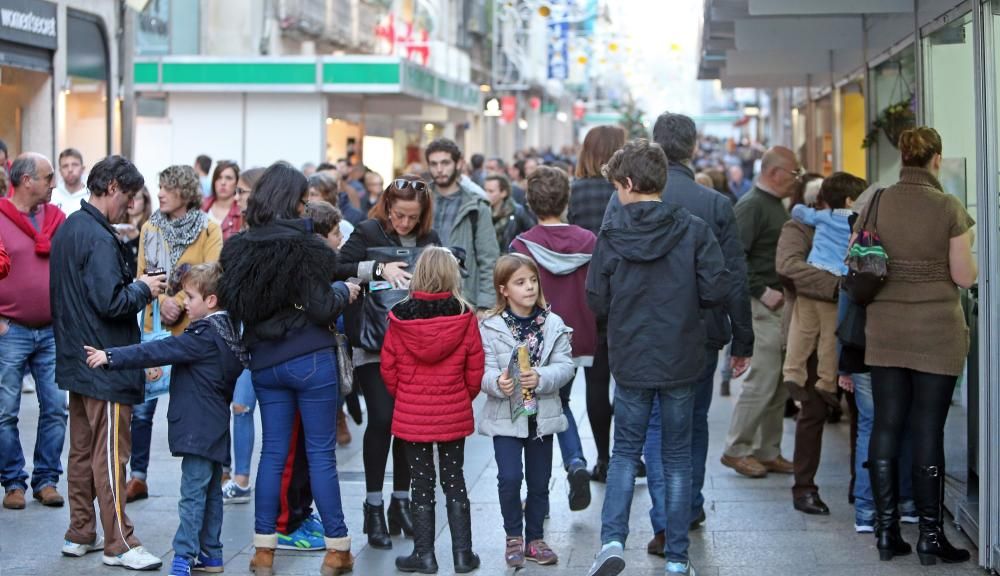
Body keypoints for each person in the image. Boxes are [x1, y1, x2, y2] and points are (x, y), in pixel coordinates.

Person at [609, 113, 752, 554]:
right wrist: (742, 337)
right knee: (691, 425)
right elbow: (731, 278)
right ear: (692, 148)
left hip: (638, 333)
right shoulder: (714, 203)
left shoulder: (626, 199)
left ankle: (664, 521)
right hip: (700, 332)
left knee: (652, 428)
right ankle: (686, 506)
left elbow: (606, 274)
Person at [585, 139, 728, 576]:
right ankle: (679, 557)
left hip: (630, 356)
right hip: (682, 355)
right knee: (678, 455)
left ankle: (612, 540)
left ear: (628, 183)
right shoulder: (694, 229)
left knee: (625, 452)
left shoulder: (612, 235)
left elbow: (596, 298)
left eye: (617, 187)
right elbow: (716, 289)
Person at [217, 161, 360, 575]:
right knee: (320, 455)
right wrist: (340, 291)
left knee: (273, 455)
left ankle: (263, 552)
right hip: (311, 359)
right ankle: (337, 549)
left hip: (265, 362)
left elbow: (236, 307)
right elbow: (320, 307)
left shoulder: (238, 248)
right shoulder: (311, 247)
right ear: (294, 202)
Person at [83, 262, 246, 576]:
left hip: (197, 429)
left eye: (191, 296)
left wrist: (110, 356)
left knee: (192, 495)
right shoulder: (226, 334)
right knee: (210, 494)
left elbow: (159, 350)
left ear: (211, 301)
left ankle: (183, 556)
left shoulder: (203, 336)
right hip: (214, 427)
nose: (185, 302)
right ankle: (212, 556)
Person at [860, 127, 975, 565]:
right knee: (927, 428)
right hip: (935, 330)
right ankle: (930, 536)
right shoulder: (947, 206)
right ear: (937, 160)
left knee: (887, 424)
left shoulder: (877, 201)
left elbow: (858, 258)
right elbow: (964, 276)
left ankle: (886, 533)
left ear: (902, 158)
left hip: (885, 328)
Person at [51, 155, 167, 570]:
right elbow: (111, 301)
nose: (131, 207)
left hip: (77, 361)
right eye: (129, 197)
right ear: (113, 187)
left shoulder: (70, 228)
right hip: (104, 362)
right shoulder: (98, 237)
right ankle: (120, 542)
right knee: (111, 455)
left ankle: (80, 532)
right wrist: (144, 288)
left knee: (82, 452)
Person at [336, 177, 440, 549]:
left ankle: (400, 501)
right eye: (398, 215)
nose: (404, 224)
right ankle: (373, 506)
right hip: (374, 343)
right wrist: (378, 269)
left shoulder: (430, 239)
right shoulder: (367, 231)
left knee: (408, 425)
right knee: (382, 418)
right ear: (387, 207)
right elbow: (337, 266)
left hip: (417, 346)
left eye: (412, 217)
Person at [380, 248, 484, 574]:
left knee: (421, 483)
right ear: (452, 276)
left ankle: (424, 556)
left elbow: (388, 369)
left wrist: (408, 398)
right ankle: (463, 555)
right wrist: (459, 398)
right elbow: (475, 370)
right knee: (455, 479)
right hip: (452, 412)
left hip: (413, 417)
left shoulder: (399, 316)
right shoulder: (464, 315)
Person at [126, 165, 223, 503]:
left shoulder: (209, 229)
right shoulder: (150, 228)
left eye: (167, 187)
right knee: (142, 407)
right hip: (156, 327)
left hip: (196, 331)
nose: (161, 193)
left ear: (185, 192)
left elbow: (212, 273)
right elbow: (143, 274)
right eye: (160, 187)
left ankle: (212, 470)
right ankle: (137, 476)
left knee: (201, 403)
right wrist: (164, 300)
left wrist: (179, 301)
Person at [480, 254, 576, 569]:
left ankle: (535, 538)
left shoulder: (553, 323)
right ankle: (513, 537)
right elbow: (483, 371)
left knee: (538, 480)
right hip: (507, 417)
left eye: (533, 281)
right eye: (520, 282)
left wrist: (543, 377)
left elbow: (566, 366)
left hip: (541, 417)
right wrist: (497, 382)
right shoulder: (491, 327)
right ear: (503, 289)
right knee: (509, 478)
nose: (529, 287)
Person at [510, 166, 595, 512]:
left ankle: (545, 492)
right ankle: (574, 463)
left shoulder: (521, 246)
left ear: (529, 201)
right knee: (560, 402)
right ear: (567, 199)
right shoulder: (589, 242)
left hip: (537, 340)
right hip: (579, 336)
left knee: (541, 413)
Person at [721, 146, 801, 479]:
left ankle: (768, 450)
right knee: (762, 379)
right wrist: (760, 290)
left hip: (779, 306)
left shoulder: (772, 205)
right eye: (793, 173)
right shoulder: (752, 206)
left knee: (778, 382)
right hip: (763, 306)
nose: (796, 180)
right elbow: (734, 257)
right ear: (774, 172)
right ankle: (737, 449)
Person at [0, 153, 67, 510]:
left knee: (56, 407)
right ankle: (13, 482)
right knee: (5, 411)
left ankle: (46, 480)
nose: (53, 183)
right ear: (27, 181)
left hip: (51, 331)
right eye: (47, 176)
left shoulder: (56, 220)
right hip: (10, 331)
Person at [774, 174, 842, 516]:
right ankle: (804, 488)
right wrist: (839, 285)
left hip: (850, 331)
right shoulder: (797, 229)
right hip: (809, 332)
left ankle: (866, 491)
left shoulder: (854, 226)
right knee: (812, 413)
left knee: (861, 413)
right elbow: (789, 269)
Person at [567, 124, 626, 481]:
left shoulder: (574, 194)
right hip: (625, 296)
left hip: (587, 297)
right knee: (629, 381)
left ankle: (602, 458)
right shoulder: (625, 192)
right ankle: (627, 455)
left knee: (595, 381)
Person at [783, 173, 866, 411]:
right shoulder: (858, 220)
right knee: (831, 338)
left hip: (812, 279)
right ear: (850, 201)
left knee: (801, 332)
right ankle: (827, 382)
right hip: (835, 285)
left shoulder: (822, 216)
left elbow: (799, 212)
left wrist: (800, 204)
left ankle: (792, 374)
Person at [425, 138, 500, 309]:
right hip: (422, 296)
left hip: (462, 298)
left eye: (445, 163)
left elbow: (488, 258)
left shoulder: (476, 205)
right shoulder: (419, 199)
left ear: (458, 164)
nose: (439, 169)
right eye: (434, 164)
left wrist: (485, 305)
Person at [485, 174, 534, 253]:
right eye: (485, 190)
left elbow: (532, 233)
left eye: (491, 191)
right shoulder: (483, 212)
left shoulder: (517, 211)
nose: (486, 194)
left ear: (503, 193)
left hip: (510, 260)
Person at [115, 187, 152, 280]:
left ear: (145, 200)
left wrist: (136, 238)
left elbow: (153, 264)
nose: (131, 202)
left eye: (136, 198)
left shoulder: (152, 226)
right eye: (129, 197)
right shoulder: (117, 224)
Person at [202, 160, 243, 241]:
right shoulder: (200, 206)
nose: (223, 182)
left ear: (236, 183)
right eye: (219, 178)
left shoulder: (242, 212)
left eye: (228, 178)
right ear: (214, 181)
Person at [51, 148, 89, 215]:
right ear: (60, 171)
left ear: (83, 169)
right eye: (65, 166)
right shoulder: (51, 196)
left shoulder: (92, 197)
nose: (70, 169)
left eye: (74, 165)